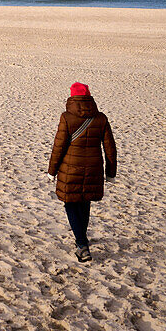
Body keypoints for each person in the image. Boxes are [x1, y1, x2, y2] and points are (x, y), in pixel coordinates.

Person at [47, 82, 117, 263]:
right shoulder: (101, 118)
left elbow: (59, 146)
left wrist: (51, 171)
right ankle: (82, 238)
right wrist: (111, 173)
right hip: (93, 168)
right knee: (85, 202)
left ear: (72, 97)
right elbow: (110, 148)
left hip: (70, 169)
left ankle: (81, 244)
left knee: (71, 204)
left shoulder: (66, 117)